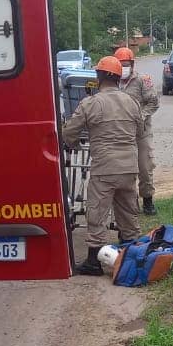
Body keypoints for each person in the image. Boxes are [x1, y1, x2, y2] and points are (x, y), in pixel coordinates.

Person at [62, 56, 144, 275]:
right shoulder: (132, 102)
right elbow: (140, 132)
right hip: (129, 166)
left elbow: (70, 132)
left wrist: (73, 144)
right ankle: (131, 256)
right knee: (128, 212)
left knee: (97, 212)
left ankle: (94, 261)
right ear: (118, 78)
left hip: (105, 168)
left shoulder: (91, 103)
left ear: (99, 77)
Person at [114, 46, 160, 214]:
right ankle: (129, 205)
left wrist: (139, 116)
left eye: (126, 64)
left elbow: (153, 102)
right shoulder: (111, 82)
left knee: (145, 167)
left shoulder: (142, 80)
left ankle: (148, 201)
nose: (124, 67)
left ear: (132, 64)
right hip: (120, 133)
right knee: (123, 171)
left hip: (141, 131)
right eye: (120, 64)